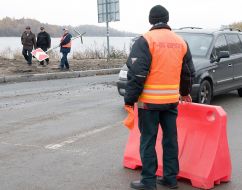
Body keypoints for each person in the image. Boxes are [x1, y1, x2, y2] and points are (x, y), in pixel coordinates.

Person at [124, 5, 195, 190]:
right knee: (170, 140)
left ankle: (148, 181)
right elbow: (187, 73)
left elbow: (137, 74)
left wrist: (129, 99)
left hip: (149, 102)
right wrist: (185, 92)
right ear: (167, 19)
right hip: (171, 101)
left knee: (148, 140)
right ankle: (170, 179)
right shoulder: (181, 42)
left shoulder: (146, 40)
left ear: (151, 20)